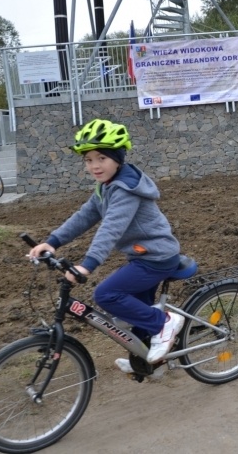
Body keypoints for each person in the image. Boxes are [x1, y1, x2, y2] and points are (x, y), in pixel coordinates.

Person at [28, 119, 185, 373]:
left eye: (101, 158)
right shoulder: (106, 186)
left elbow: (111, 228)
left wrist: (88, 264)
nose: (94, 166)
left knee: (107, 295)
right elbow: (85, 216)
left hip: (156, 257)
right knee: (136, 313)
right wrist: (52, 241)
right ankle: (149, 361)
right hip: (141, 256)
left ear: (118, 158)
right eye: (88, 160)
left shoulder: (126, 190)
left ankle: (165, 322)